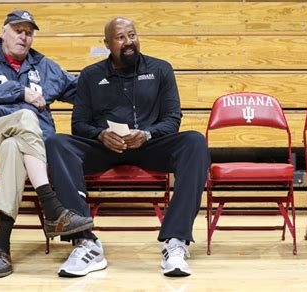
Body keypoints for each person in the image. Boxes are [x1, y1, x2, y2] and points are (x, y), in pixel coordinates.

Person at [45, 16, 210, 277]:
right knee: (56, 143)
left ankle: (176, 242)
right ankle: (85, 242)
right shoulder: (90, 75)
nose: (128, 42)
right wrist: (100, 135)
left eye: (132, 35)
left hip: (148, 146)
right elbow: (79, 124)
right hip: (105, 148)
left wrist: (147, 133)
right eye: (121, 38)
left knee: (194, 142)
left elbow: (172, 119)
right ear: (107, 43)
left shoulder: (160, 69)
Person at [0, 9, 94, 278]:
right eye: (18, 30)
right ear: (3, 31)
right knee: (25, 116)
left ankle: (1, 246)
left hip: (22, 151)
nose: (24, 36)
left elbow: (82, 92)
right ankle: (52, 207)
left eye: (29, 32)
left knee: (14, 147)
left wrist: (110, 82)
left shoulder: (45, 67)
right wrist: (19, 92)